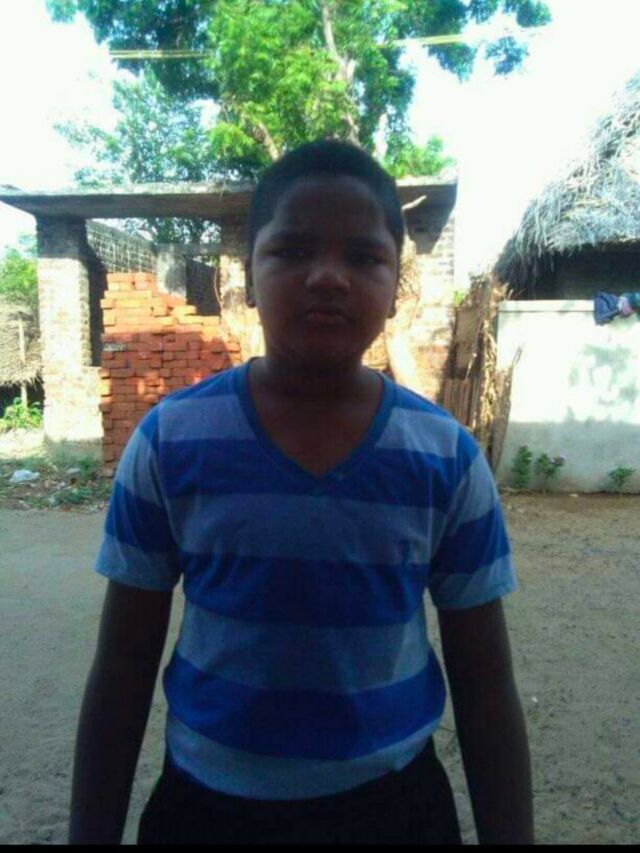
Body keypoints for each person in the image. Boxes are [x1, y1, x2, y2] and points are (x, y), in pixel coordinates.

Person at [68, 139, 533, 846]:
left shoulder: (444, 457)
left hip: (395, 811)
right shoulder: (172, 442)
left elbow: (487, 685)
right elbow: (124, 666)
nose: (327, 277)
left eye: (363, 257)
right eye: (291, 250)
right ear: (249, 280)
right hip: (207, 811)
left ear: (396, 288)